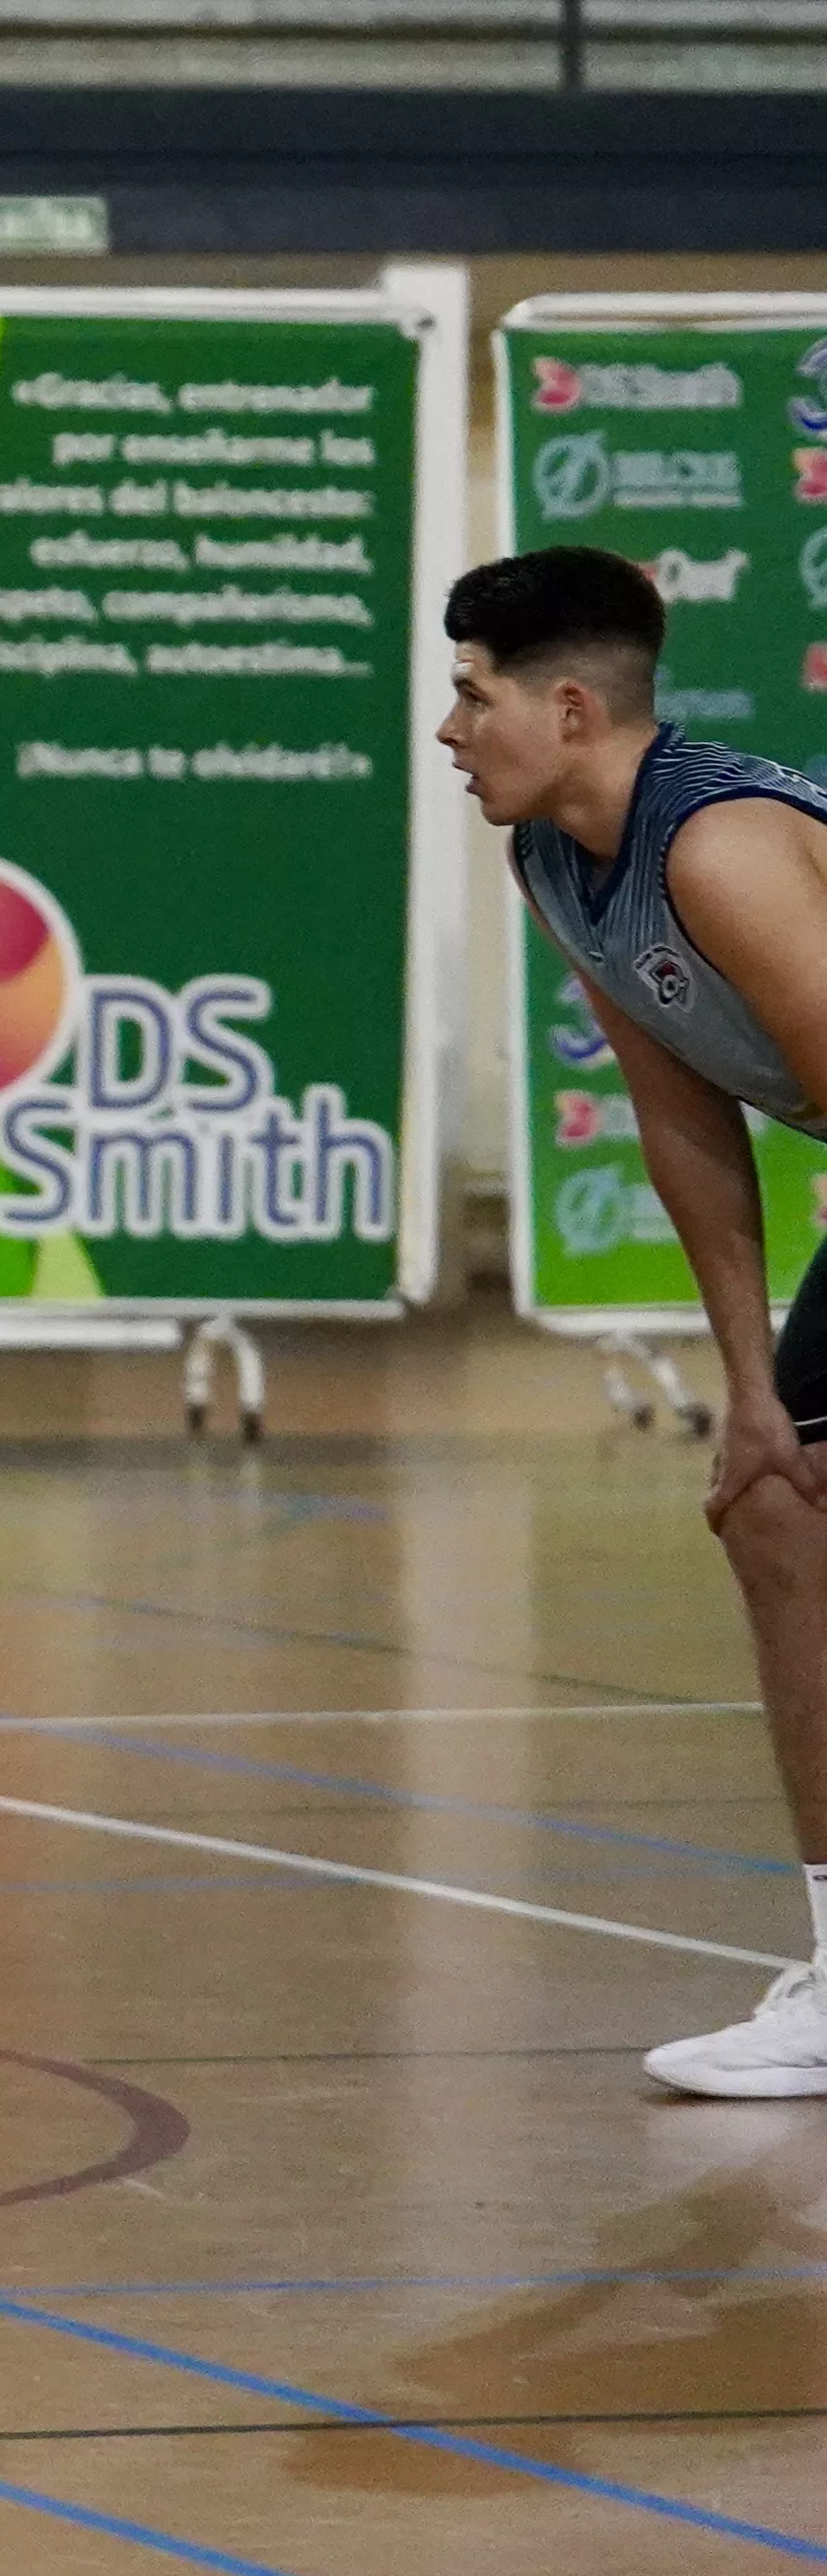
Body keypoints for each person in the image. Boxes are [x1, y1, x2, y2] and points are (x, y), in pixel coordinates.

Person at [442, 544, 827, 2098]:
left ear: (573, 707)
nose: (451, 729)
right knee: (773, 1509)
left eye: (473, 695)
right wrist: (748, 1385)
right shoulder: (555, 860)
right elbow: (685, 1116)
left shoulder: (722, 850)